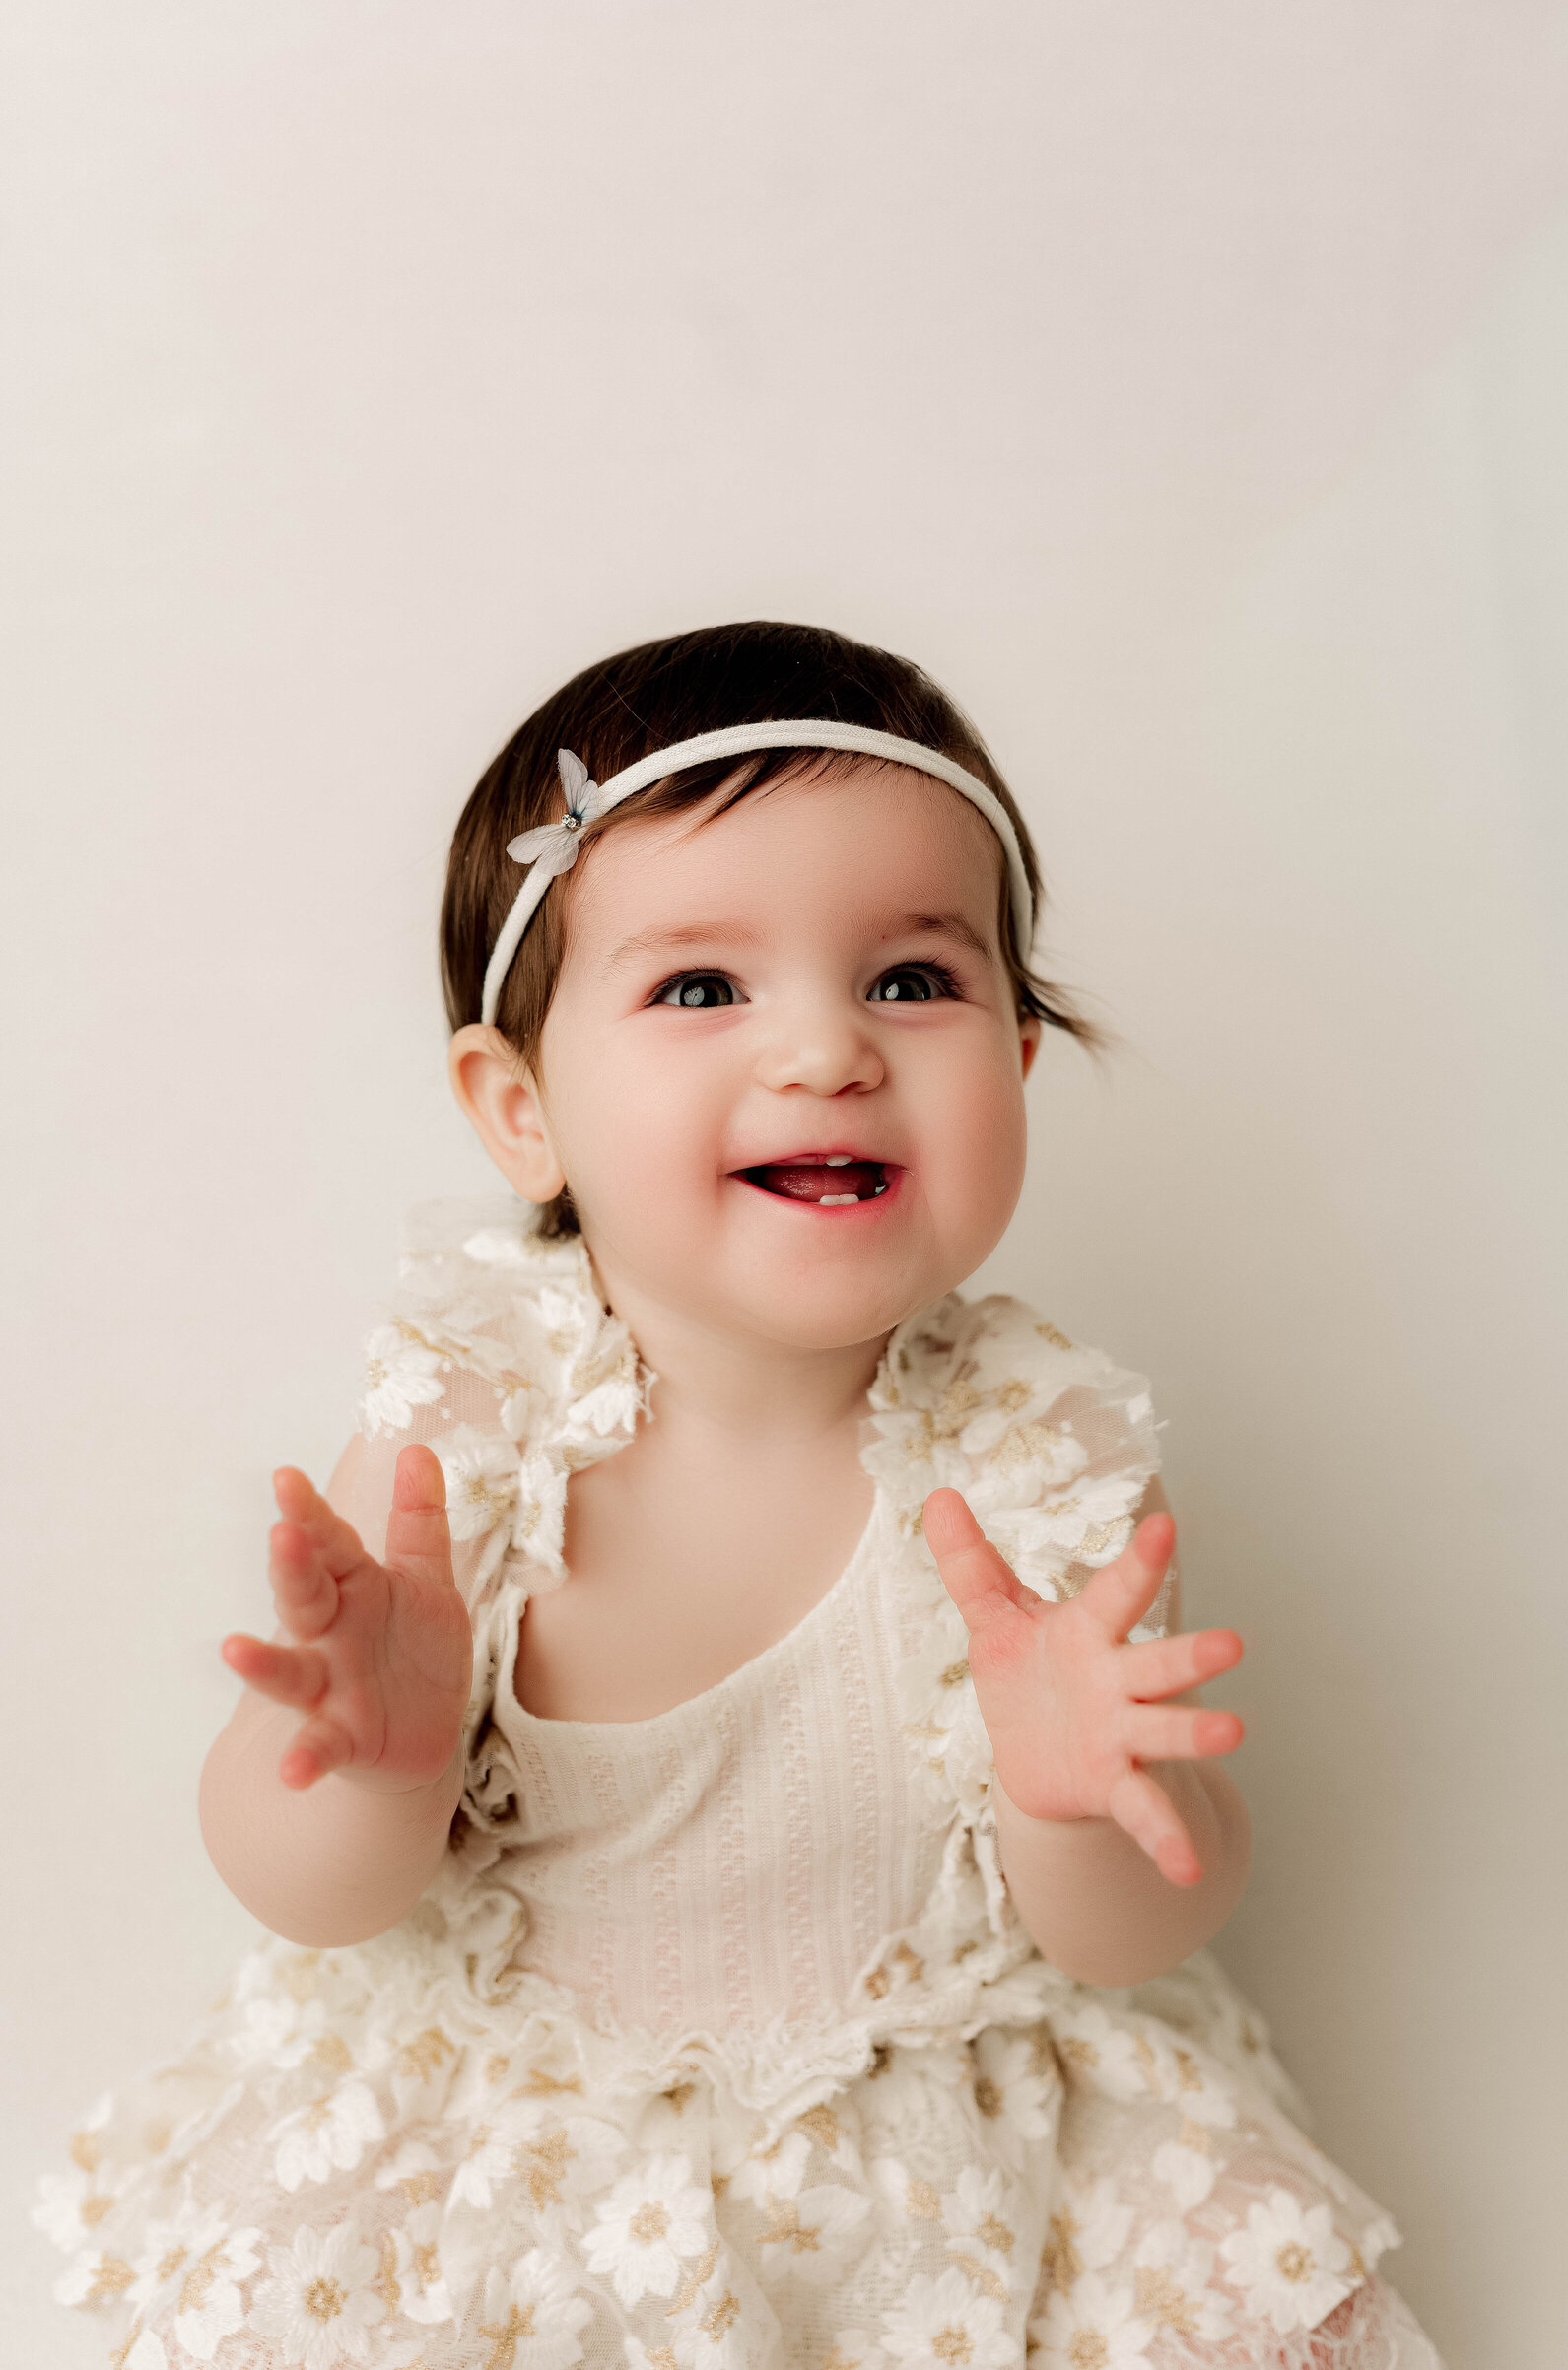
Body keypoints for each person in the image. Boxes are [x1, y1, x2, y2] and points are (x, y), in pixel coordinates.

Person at [34, 623, 1443, 2369]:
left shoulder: (1036, 1458)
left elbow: (1128, 1931)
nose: (828, 1051)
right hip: (541, 2156)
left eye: (912, 979)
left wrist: (1084, 1804)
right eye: (702, 988)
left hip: (944, 2160)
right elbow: (316, 1895)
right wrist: (369, 1768)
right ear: (519, 1107)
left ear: (1017, 1059)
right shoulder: (470, 1441)